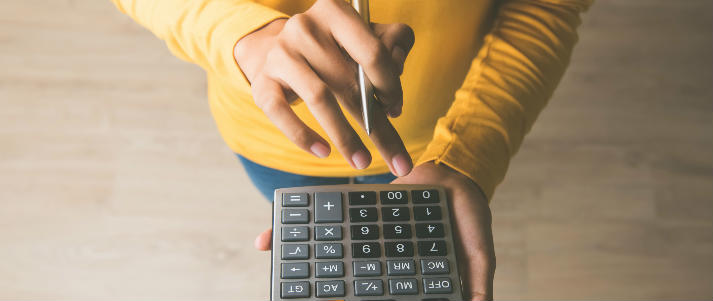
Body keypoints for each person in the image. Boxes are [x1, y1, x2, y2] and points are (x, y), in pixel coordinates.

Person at [111, 0, 591, 299]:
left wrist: (469, 149)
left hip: (431, 145)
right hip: (275, 138)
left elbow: (547, 5)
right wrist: (245, 36)